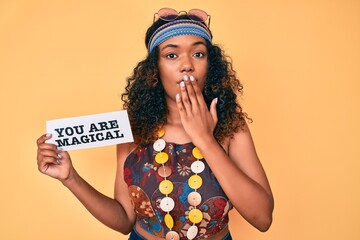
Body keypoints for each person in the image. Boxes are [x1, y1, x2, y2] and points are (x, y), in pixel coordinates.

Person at [36, 8, 274, 240]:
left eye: (198, 54)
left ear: (210, 66)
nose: (186, 65)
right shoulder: (134, 128)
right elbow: (123, 219)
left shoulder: (232, 126)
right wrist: (70, 178)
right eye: (172, 55)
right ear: (155, 70)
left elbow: (262, 218)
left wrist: (204, 139)